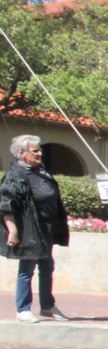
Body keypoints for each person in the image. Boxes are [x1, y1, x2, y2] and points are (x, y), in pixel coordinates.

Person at [1, 135, 70, 323]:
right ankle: (23, 309)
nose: (40, 153)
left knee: (47, 266)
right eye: (35, 150)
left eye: (39, 149)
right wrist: (13, 231)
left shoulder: (41, 171)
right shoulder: (15, 175)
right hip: (29, 229)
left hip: (46, 228)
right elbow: (7, 205)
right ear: (22, 153)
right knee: (27, 268)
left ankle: (47, 306)